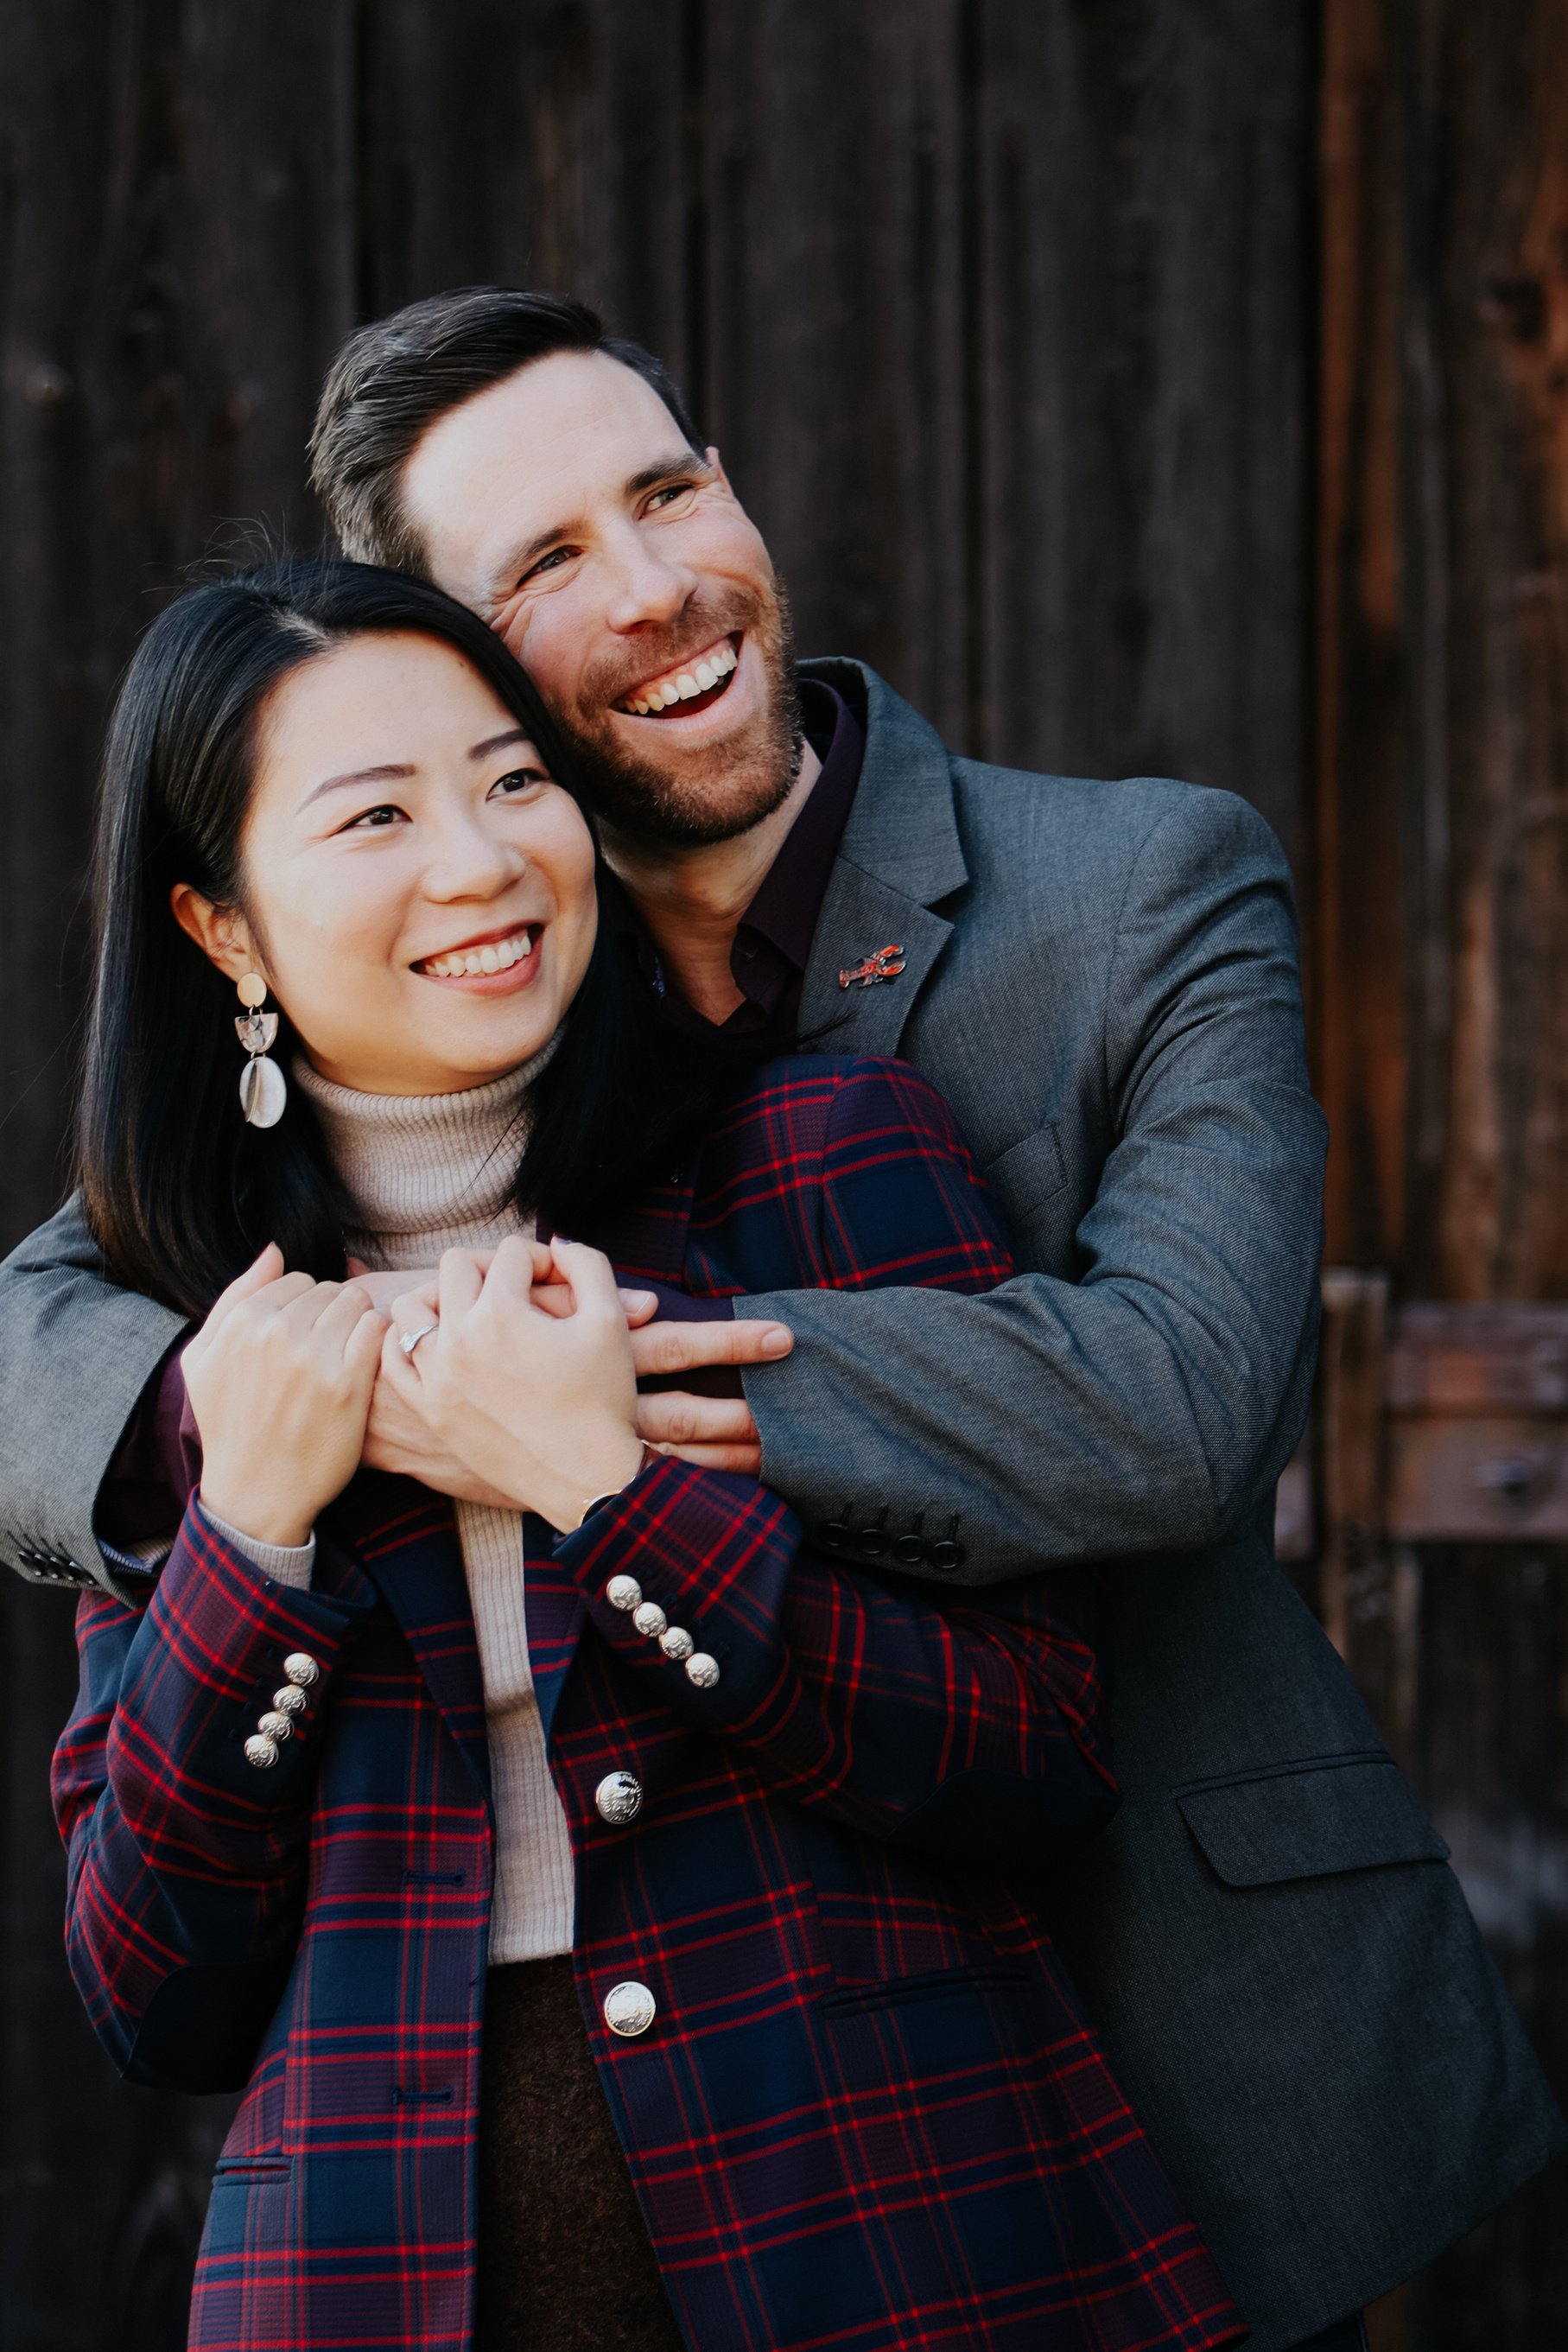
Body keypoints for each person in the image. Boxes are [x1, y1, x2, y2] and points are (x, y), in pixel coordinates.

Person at [3, 290, 1561, 2352]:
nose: (653, 584)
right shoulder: (359, 1105)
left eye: (667, 487)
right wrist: (260, 1454)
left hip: (1135, 2023)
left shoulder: (1130, 892)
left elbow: (1182, 1405)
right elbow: (66, 1323)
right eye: (545, 562)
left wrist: (602, 1402)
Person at [52, 556, 1247, 2352]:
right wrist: (247, 1536)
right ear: (221, 925)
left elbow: (1034, 1752)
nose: (477, 858)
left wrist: (619, 1499)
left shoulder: (819, 1154)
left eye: (510, 777)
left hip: (907, 2242)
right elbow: (155, 1994)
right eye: (376, 812)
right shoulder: (179, 1348)